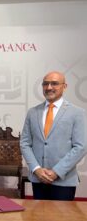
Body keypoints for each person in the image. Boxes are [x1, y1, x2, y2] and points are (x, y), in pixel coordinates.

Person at [20, 71, 87, 200]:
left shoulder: (77, 112)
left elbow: (81, 146)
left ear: (64, 86)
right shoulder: (33, 112)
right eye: (45, 84)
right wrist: (36, 169)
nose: (49, 87)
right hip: (38, 179)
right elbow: (25, 143)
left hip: (64, 180)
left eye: (54, 83)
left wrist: (56, 172)